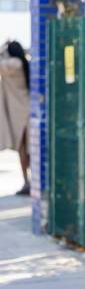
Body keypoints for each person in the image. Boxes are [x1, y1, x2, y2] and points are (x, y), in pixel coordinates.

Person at [0, 40, 31, 195]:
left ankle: (28, 181)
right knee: (26, 149)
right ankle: (29, 181)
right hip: (26, 109)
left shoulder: (14, 64)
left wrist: (2, 48)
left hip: (21, 112)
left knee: (23, 150)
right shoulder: (22, 62)